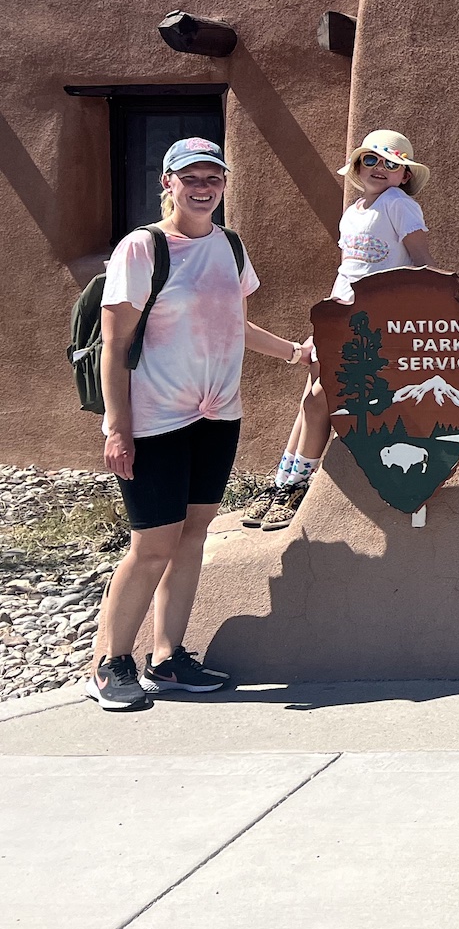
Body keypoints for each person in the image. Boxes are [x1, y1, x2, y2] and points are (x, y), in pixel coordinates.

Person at [90, 138, 308, 711]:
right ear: (168, 183)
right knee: (151, 546)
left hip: (218, 417)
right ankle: (111, 663)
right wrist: (118, 426)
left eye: (213, 176)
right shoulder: (144, 248)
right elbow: (113, 346)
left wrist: (292, 352)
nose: (203, 187)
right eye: (191, 177)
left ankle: (168, 658)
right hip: (157, 421)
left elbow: (236, 323)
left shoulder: (230, 247)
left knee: (191, 538)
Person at [240, 131, 433, 531]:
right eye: (371, 161)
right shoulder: (355, 211)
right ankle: (283, 482)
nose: (380, 169)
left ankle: (297, 488)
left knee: (318, 400)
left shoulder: (400, 206)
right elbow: (348, 270)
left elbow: (421, 266)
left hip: (372, 323)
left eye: (391, 164)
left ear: (404, 176)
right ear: (359, 166)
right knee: (309, 400)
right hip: (338, 317)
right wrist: (323, 322)